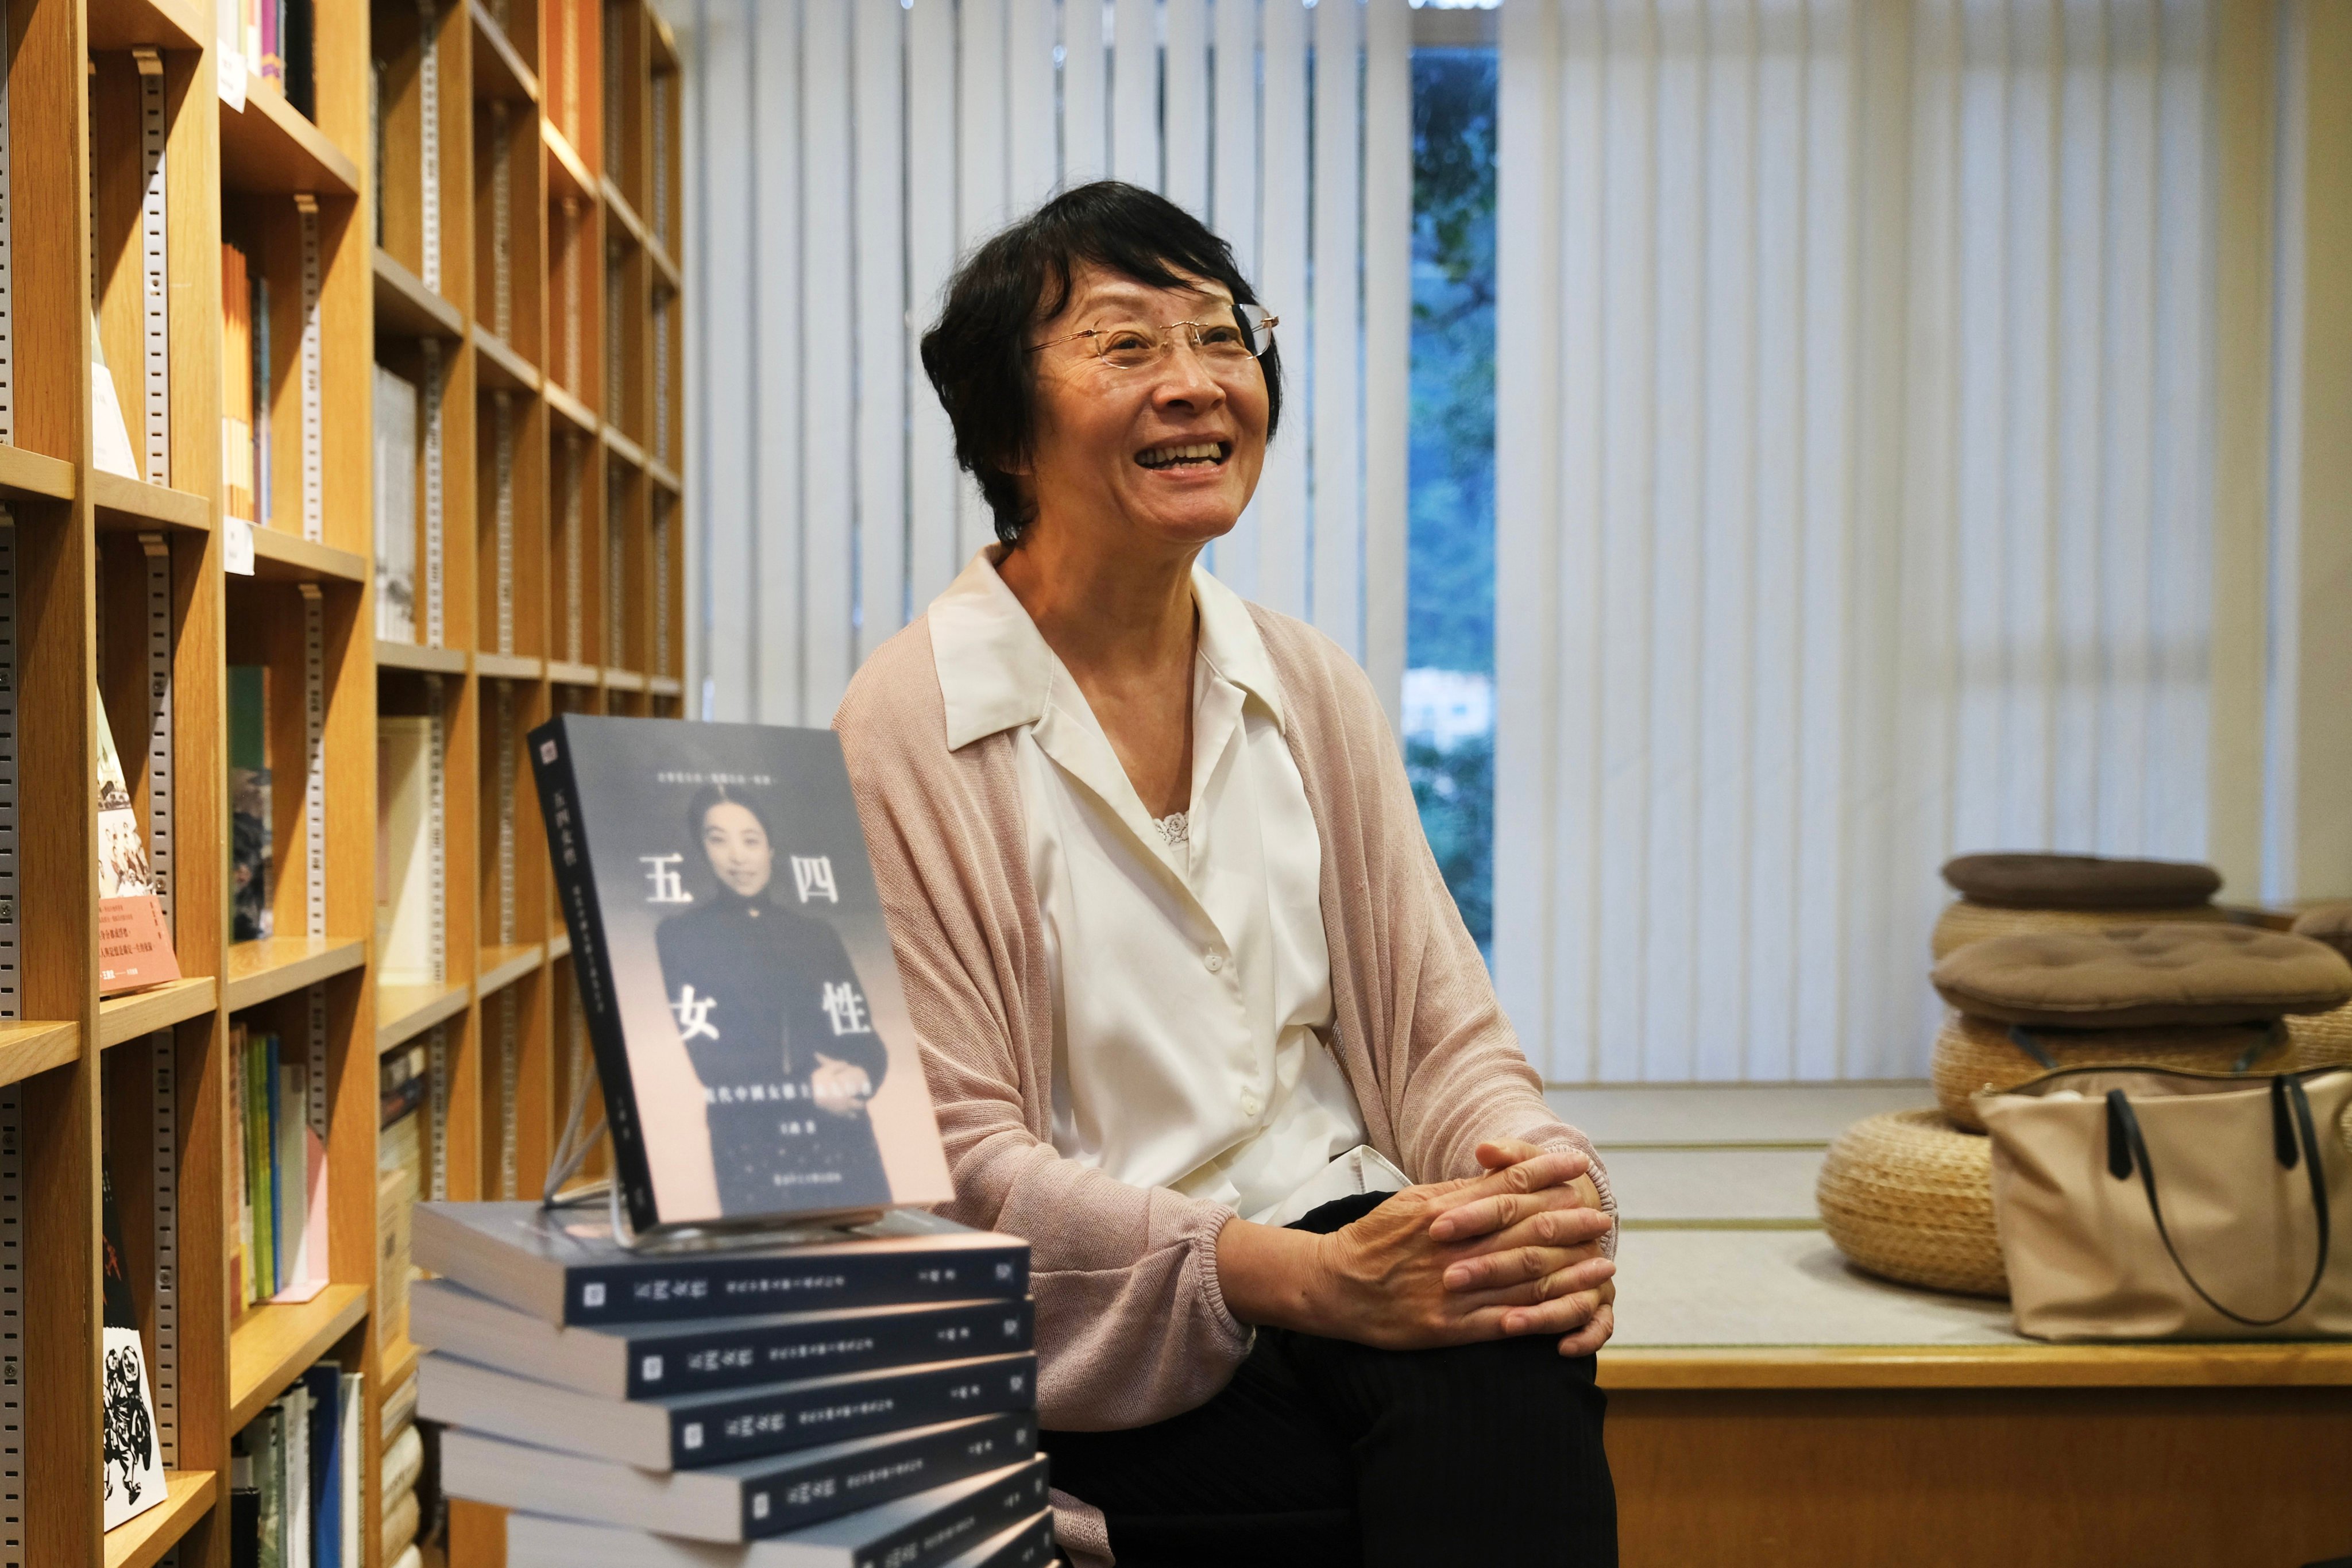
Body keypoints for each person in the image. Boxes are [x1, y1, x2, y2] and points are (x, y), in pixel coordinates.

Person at [834, 181, 1617, 1568]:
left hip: (1344, 1233)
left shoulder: (1306, 681)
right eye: (1126, 346)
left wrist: (1534, 1188)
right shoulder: (907, 720)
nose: (1195, 385)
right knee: (1403, 1449)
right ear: (1006, 433)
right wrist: (1297, 1281)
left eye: (1220, 336)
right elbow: (952, 1173)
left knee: (1505, 1340)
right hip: (1097, 1323)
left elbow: (1444, 1037)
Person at [653, 786, 891, 1212]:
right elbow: (712, 1064)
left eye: (750, 839)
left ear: (770, 848)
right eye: (717, 839)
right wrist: (808, 1089)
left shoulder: (816, 934)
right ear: (702, 849)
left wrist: (859, 1074)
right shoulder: (681, 936)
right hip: (751, 1139)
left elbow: (864, 1040)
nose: (737, 857)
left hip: (842, 1134)